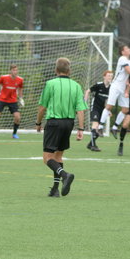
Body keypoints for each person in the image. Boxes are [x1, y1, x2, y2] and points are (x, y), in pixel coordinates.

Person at [35, 58, 88, 198]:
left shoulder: (50, 84)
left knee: (47, 158)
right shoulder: (76, 86)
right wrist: (81, 129)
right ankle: (55, 189)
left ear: (56, 70)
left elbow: (42, 107)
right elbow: (80, 110)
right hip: (68, 124)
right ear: (69, 70)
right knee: (58, 156)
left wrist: (38, 123)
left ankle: (65, 175)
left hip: (54, 123)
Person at [99, 45, 130, 138]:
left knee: (125, 109)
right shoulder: (122, 58)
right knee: (109, 106)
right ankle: (100, 127)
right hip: (116, 86)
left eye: (129, 48)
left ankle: (115, 127)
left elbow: (129, 77)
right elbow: (129, 71)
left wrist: (127, 90)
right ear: (123, 52)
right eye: (127, 48)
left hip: (123, 88)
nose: (129, 49)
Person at [0, 64, 24, 139]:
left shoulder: (20, 80)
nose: (15, 72)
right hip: (2, 99)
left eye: (16, 70)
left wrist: (21, 99)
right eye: (14, 70)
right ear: (10, 71)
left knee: (17, 117)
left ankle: (14, 134)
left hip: (13, 100)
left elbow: (20, 89)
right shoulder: (3, 77)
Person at [83, 70, 113, 152]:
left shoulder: (111, 88)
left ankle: (90, 144)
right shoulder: (99, 85)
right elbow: (88, 91)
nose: (110, 77)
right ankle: (93, 145)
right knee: (95, 125)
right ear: (104, 77)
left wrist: (108, 110)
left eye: (111, 76)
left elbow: (107, 100)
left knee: (99, 128)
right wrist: (84, 102)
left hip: (103, 110)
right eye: (108, 75)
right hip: (95, 108)